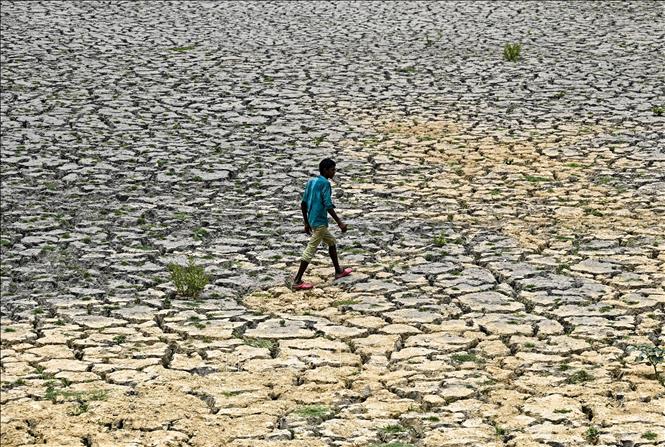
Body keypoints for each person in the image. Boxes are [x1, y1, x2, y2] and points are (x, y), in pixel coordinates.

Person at [292, 158, 352, 290]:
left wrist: (306, 222)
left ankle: (338, 270)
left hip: (312, 220)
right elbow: (328, 204)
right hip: (319, 221)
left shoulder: (311, 181)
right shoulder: (325, 184)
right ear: (325, 170)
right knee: (311, 249)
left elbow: (303, 203)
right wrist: (340, 223)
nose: (334, 172)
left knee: (331, 242)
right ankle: (297, 280)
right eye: (332, 170)